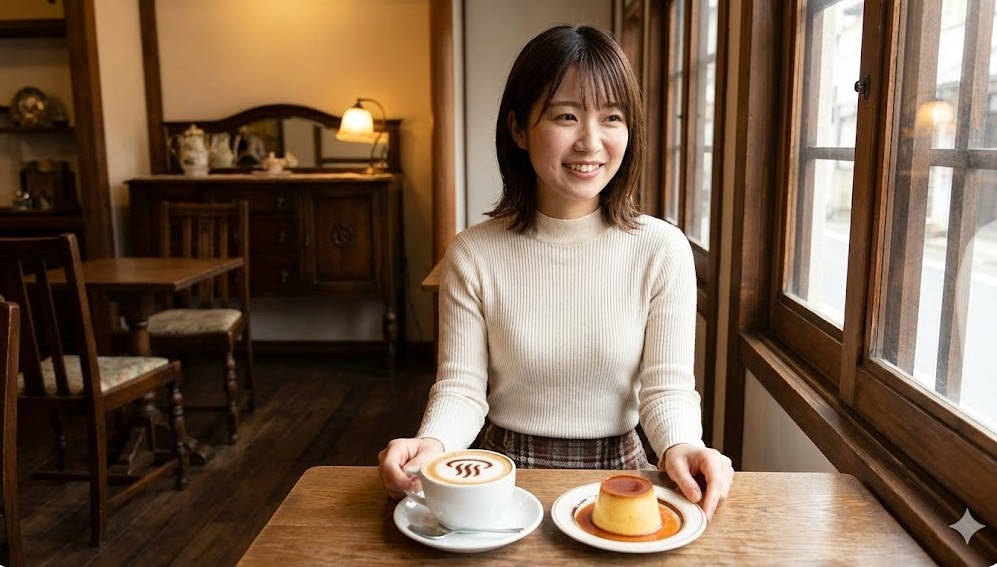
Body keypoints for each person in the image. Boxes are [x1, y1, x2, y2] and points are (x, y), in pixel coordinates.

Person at [378, 24, 734, 520]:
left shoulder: (662, 249)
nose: (591, 142)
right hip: (498, 470)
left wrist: (683, 445)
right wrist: (430, 443)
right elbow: (462, 387)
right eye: (566, 115)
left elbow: (666, 387)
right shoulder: (473, 253)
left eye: (612, 117)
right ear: (519, 129)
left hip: (619, 474)